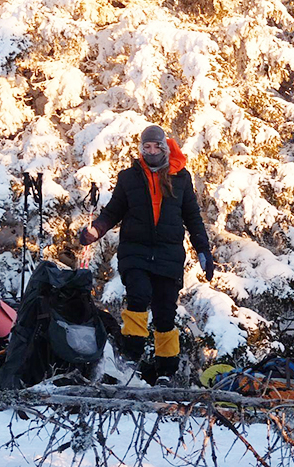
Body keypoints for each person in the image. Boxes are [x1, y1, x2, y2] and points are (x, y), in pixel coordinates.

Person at [78, 125, 214, 386]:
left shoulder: (181, 178)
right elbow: (113, 211)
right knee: (138, 296)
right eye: (146, 147)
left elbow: (193, 218)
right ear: (141, 149)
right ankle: (129, 357)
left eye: (156, 147)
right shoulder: (129, 177)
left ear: (165, 147)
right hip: (135, 252)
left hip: (168, 255)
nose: (151, 151)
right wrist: (96, 230)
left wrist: (203, 250)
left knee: (165, 313)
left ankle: (165, 371)